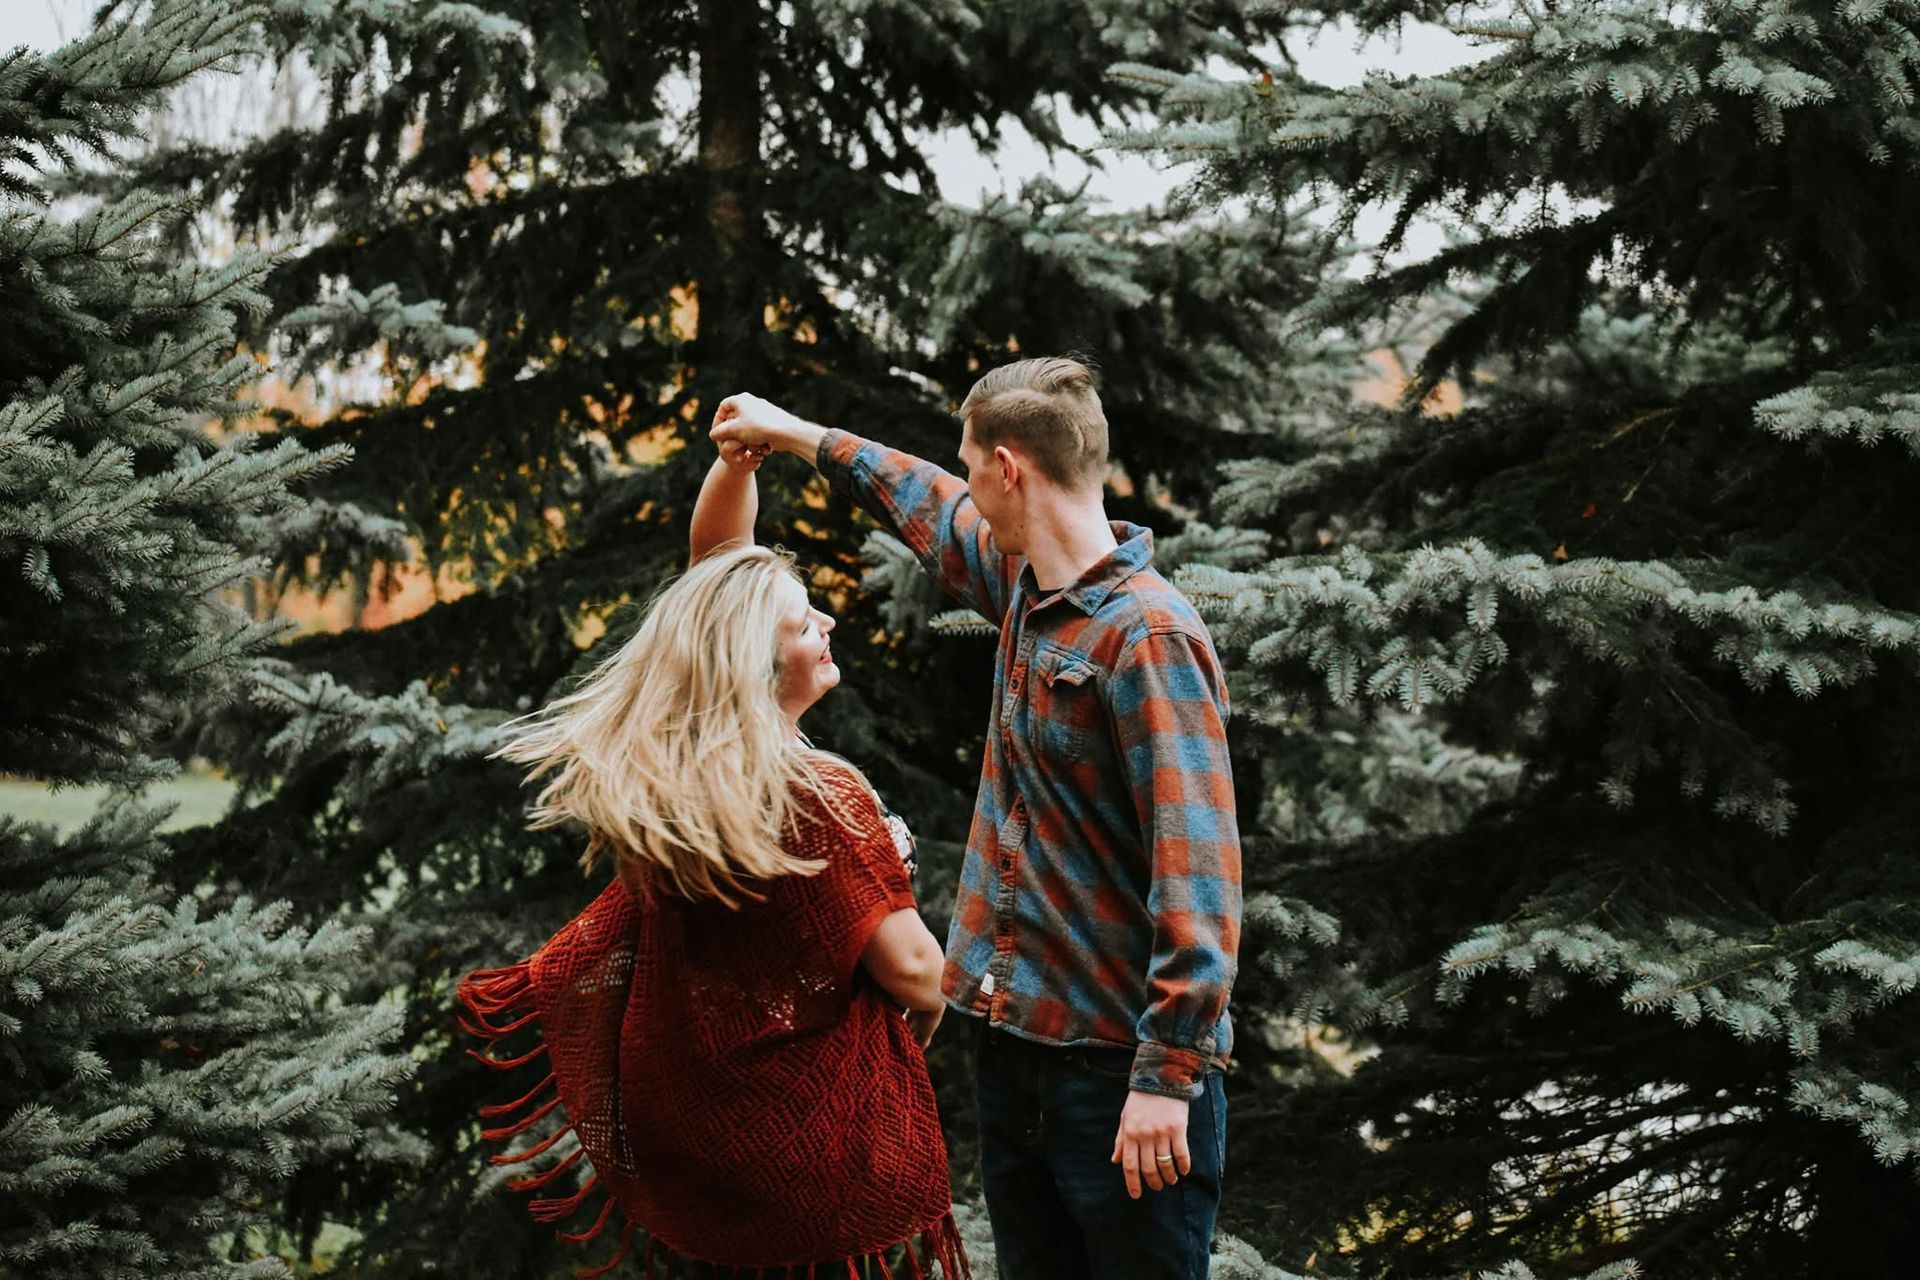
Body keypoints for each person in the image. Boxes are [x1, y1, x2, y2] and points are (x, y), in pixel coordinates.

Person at [711, 356, 1243, 1280]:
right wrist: (795, 434)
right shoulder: (1026, 595)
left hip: (1118, 1078)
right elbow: (926, 502)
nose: (967, 491)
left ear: (1008, 467)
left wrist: (1167, 1076)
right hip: (1016, 1058)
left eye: (972, 467)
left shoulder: (1147, 636)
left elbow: (1197, 871)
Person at [455, 438, 968, 1279]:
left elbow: (719, 583)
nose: (829, 623)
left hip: (715, 1124)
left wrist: (737, 466)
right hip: (811, 1140)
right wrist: (915, 999)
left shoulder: (700, 769)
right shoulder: (814, 792)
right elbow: (917, 973)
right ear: (758, 668)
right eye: (806, 624)